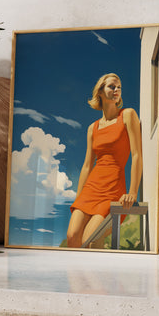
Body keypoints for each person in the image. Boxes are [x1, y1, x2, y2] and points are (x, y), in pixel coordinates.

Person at [67, 73, 143, 248]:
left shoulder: (128, 115)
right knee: (72, 236)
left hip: (112, 189)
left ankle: (95, 275)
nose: (116, 90)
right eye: (111, 87)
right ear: (100, 91)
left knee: (90, 239)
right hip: (91, 189)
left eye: (119, 87)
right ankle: (76, 276)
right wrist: (79, 199)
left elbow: (137, 155)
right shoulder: (92, 128)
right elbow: (87, 166)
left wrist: (132, 192)